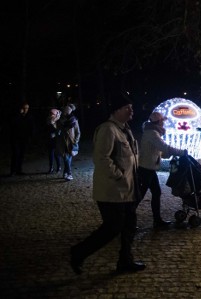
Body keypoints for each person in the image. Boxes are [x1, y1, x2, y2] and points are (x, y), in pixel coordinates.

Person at [70, 93, 145, 275]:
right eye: (128, 108)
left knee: (129, 226)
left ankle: (125, 261)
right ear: (117, 110)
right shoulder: (107, 130)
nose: (132, 111)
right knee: (113, 228)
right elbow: (101, 158)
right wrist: (119, 176)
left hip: (128, 190)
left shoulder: (125, 129)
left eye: (132, 108)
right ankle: (78, 252)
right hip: (113, 191)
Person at [139, 111, 187, 228]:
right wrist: (181, 152)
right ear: (159, 122)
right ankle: (127, 220)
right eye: (162, 121)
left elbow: (159, 150)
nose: (164, 124)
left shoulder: (153, 132)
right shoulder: (152, 133)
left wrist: (166, 154)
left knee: (156, 193)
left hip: (149, 168)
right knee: (140, 195)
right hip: (146, 169)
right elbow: (164, 147)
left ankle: (157, 220)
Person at [9, 102, 35, 176]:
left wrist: (31, 137)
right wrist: (19, 114)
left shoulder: (29, 117)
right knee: (15, 154)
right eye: (24, 108)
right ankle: (13, 171)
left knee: (21, 154)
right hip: (15, 138)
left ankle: (19, 170)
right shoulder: (16, 116)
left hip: (24, 139)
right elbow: (12, 124)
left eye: (27, 108)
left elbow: (32, 127)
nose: (25, 109)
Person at [56, 104, 81, 181]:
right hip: (62, 142)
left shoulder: (74, 120)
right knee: (66, 157)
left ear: (70, 111)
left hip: (71, 142)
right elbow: (56, 127)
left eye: (67, 110)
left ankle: (66, 173)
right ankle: (69, 173)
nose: (65, 111)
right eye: (65, 110)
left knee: (68, 157)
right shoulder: (60, 119)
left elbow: (78, 132)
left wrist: (75, 141)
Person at [46, 108, 61, 174]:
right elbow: (46, 128)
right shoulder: (48, 120)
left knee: (57, 154)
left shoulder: (59, 121)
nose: (51, 115)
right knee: (50, 154)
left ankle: (59, 167)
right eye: (50, 114)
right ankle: (51, 167)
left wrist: (56, 133)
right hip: (50, 139)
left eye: (52, 114)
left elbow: (60, 130)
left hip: (56, 139)